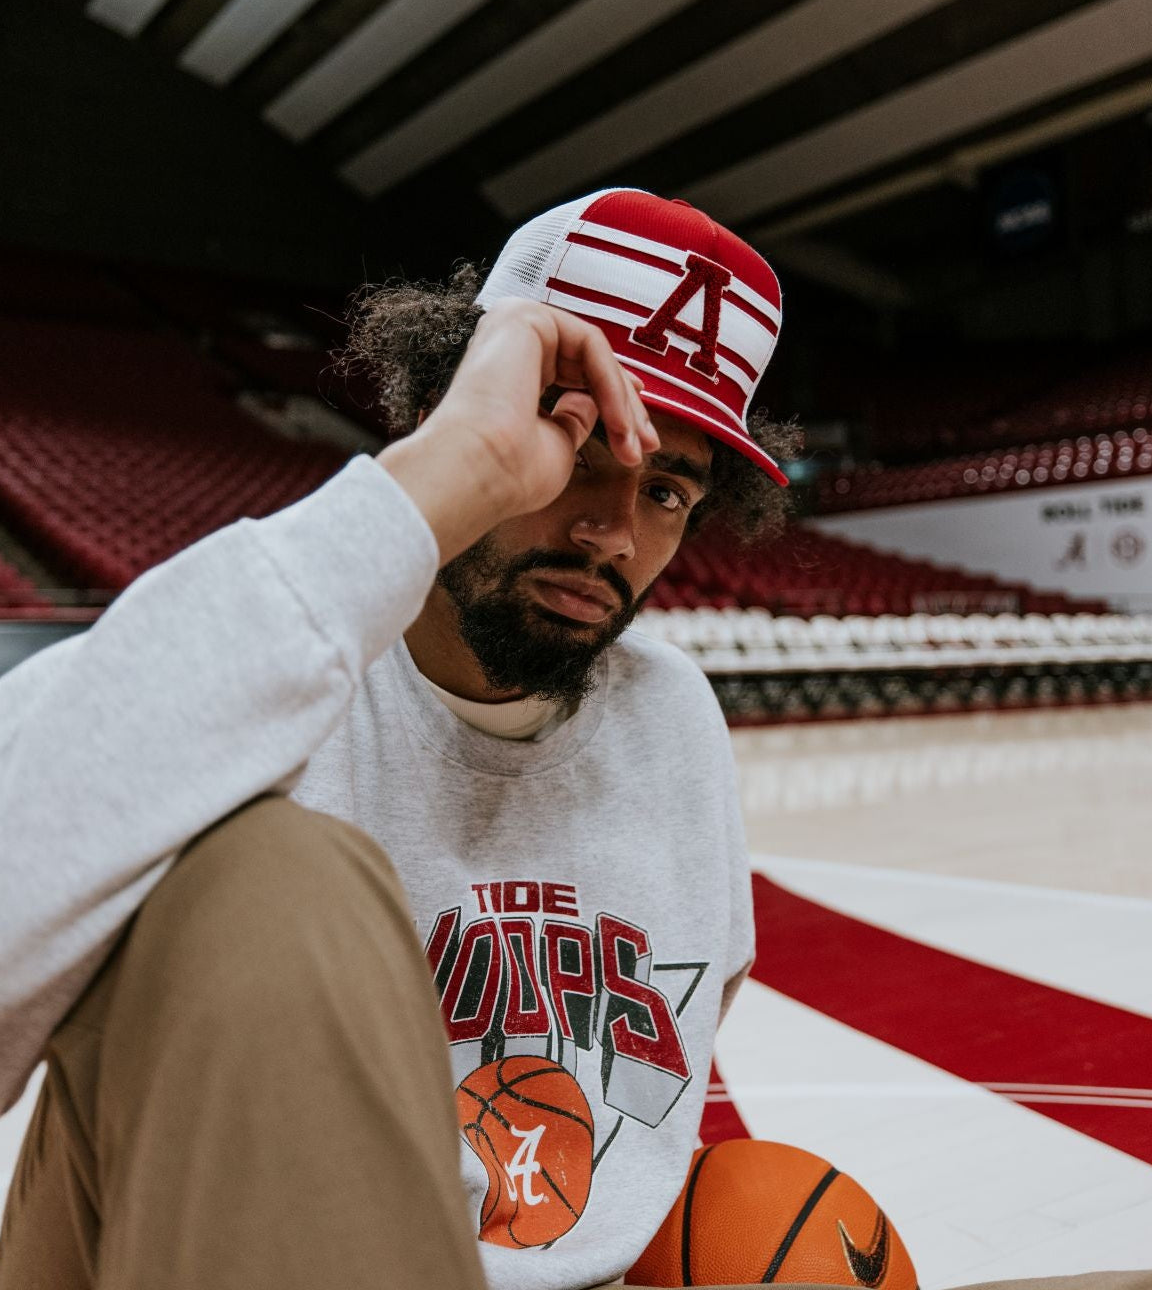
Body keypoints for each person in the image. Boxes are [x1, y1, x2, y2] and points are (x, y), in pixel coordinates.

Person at [0, 189, 796, 1289]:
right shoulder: (264, 669)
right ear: (447, 401)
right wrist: (443, 479)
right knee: (269, 873)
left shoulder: (674, 723)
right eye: (572, 441)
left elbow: (647, 1123)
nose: (612, 529)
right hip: (226, 1242)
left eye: (665, 488)